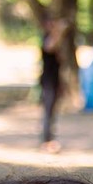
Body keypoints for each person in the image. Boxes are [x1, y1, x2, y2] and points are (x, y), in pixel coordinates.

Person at [38, 15, 69, 153]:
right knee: (48, 111)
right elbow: (50, 46)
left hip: (55, 80)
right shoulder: (46, 38)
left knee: (52, 111)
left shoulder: (56, 42)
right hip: (48, 81)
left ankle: (50, 139)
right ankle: (46, 140)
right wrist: (59, 30)